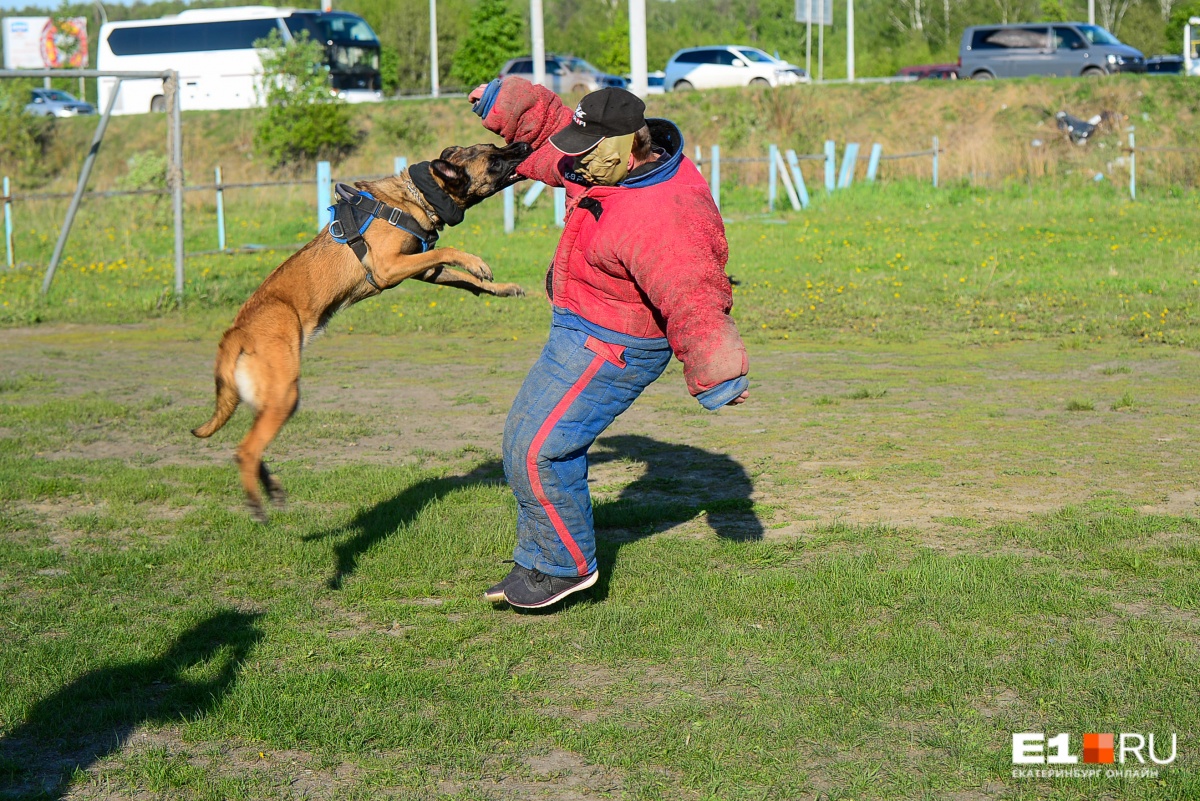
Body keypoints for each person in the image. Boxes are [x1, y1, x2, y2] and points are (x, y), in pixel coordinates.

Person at [469, 77, 749, 609]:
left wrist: (719, 370)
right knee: (521, 443)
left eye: (585, 153)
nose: (573, 163)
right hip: (580, 322)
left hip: (617, 343)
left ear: (625, 147)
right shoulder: (609, 162)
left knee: (541, 450)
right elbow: (553, 133)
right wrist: (501, 102)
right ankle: (536, 559)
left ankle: (562, 568)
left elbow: (693, 293)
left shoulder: (665, 212)